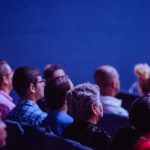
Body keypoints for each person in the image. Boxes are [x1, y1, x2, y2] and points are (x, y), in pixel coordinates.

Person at [62, 82, 110, 150]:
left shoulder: (67, 131)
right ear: (94, 109)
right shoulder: (100, 137)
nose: (101, 104)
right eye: (99, 101)